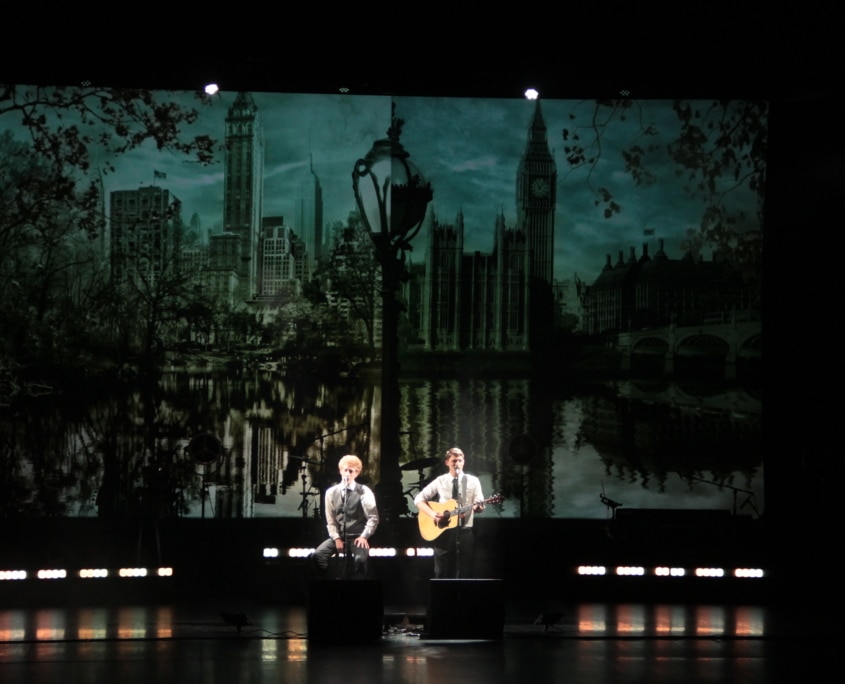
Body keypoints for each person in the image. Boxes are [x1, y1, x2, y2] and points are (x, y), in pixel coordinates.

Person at [414, 447, 485, 579]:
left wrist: (479, 507)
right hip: (443, 532)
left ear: (464, 461)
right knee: (441, 573)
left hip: (465, 531)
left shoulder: (473, 481)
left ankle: (461, 598)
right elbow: (418, 499)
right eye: (454, 461)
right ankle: (441, 598)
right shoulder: (440, 480)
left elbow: (480, 504)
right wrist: (433, 514)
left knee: (464, 572)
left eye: (460, 460)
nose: (457, 463)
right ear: (447, 462)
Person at [311, 454, 379, 579]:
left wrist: (364, 536)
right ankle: (326, 584)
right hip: (339, 536)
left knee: (360, 561)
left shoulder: (364, 491)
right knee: (317, 556)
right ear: (340, 470)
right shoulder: (331, 492)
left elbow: (373, 518)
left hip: (357, 537)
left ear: (356, 473)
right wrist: (336, 538)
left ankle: (356, 590)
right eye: (345, 470)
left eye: (351, 471)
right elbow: (330, 520)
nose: (347, 473)